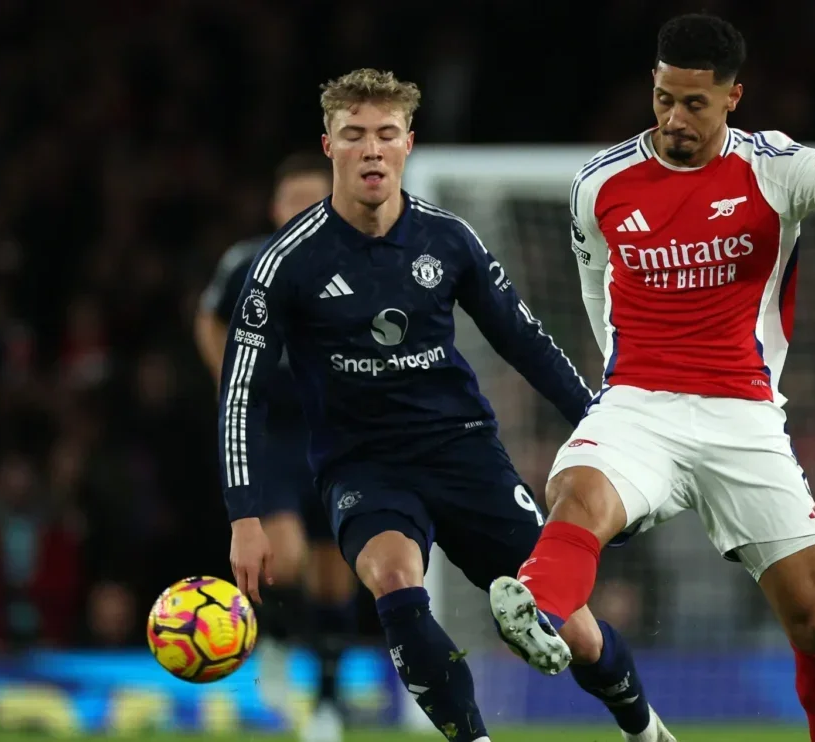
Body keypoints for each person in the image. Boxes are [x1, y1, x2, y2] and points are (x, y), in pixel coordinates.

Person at [487, 13, 815, 742]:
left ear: (732, 97)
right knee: (575, 494)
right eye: (663, 99)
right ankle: (537, 607)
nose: (674, 118)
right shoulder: (600, 182)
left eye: (694, 103)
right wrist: (622, 383)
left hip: (741, 412)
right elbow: (597, 290)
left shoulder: (772, 167)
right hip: (638, 404)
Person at [220, 68, 673, 742]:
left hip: (463, 451)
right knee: (393, 578)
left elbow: (527, 342)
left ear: (408, 144)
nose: (371, 150)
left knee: (574, 629)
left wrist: (600, 427)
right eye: (354, 135)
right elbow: (240, 393)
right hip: (362, 464)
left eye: (386, 134)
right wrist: (244, 515)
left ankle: (644, 729)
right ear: (329, 146)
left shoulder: (448, 239)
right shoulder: (284, 263)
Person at [195, 153, 355, 742]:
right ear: (274, 208)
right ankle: (280, 644)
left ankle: (328, 701)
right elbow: (208, 318)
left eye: (316, 200)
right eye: (295, 200)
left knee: (337, 576)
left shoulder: (359, 262)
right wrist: (229, 379)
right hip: (275, 434)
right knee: (283, 558)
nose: (304, 210)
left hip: (337, 433)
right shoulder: (246, 263)